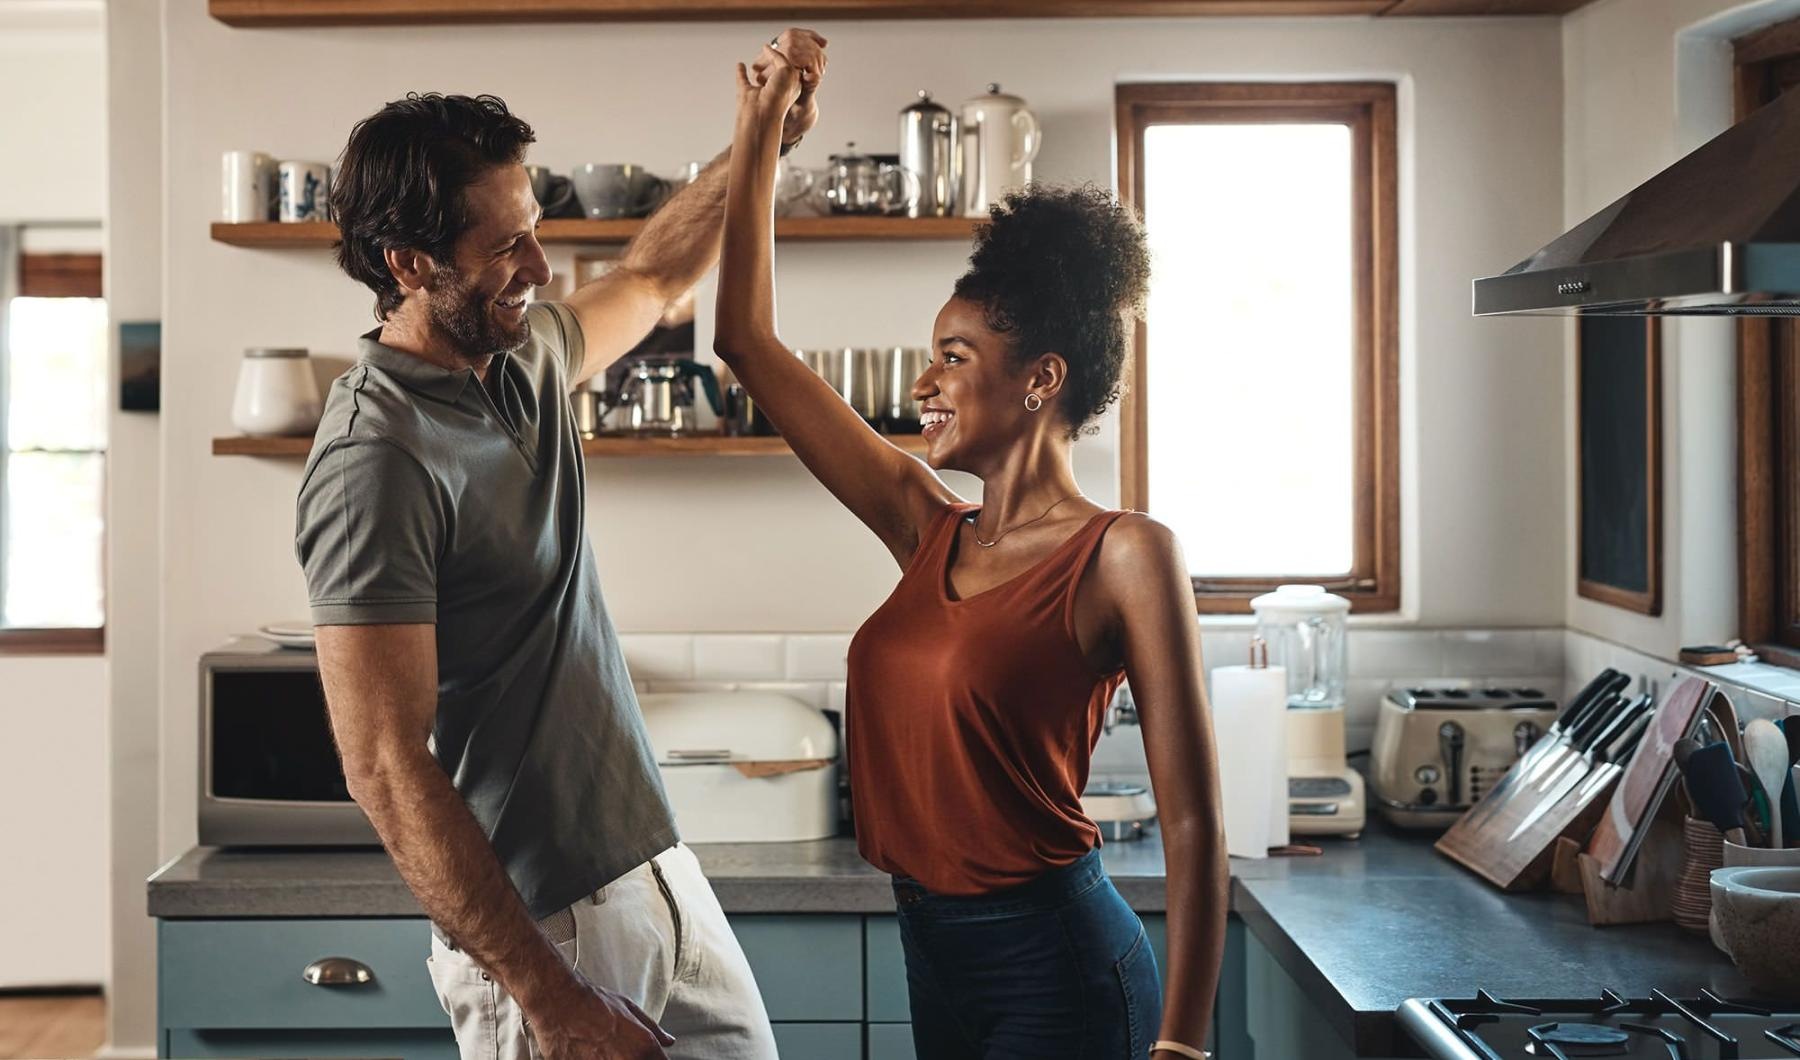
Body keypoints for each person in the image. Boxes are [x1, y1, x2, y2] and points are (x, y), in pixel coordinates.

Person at [293, 30, 828, 1060]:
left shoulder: (522, 350)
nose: (540, 266)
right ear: (411, 263)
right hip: (543, 926)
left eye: (533, 232)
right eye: (506, 248)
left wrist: (757, 142)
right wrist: (553, 998)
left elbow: (654, 272)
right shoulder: (375, 459)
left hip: (653, 866)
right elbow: (384, 765)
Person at [715, 52, 1228, 1060]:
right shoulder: (925, 521)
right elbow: (744, 340)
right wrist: (760, 135)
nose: (923, 381)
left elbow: (1196, 823)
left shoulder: (1125, 554)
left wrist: (1184, 1044)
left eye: (953, 356)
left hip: (1060, 964)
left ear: (1041, 378)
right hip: (932, 947)